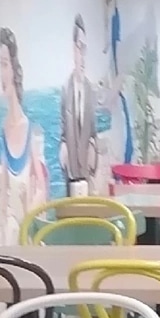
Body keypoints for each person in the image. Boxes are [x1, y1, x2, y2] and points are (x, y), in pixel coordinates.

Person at [0, 26, 49, 238]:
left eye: (4, 64)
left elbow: (41, 187)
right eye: (0, 65)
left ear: (14, 69)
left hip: (27, 228)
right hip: (11, 230)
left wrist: (28, 215)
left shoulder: (28, 130)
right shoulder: (4, 129)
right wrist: (3, 225)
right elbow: (3, 191)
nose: (2, 74)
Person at [99, 0, 135, 172]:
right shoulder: (104, 15)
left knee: (120, 157)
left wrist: (109, 98)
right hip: (110, 103)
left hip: (116, 106)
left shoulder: (114, 18)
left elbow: (122, 70)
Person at [59, 12, 98, 192]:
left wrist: (93, 146)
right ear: (74, 49)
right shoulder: (65, 90)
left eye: (85, 49)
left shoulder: (90, 90)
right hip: (71, 173)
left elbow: (93, 130)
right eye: (79, 47)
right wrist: (63, 147)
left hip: (87, 173)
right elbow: (62, 131)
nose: (83, 55)